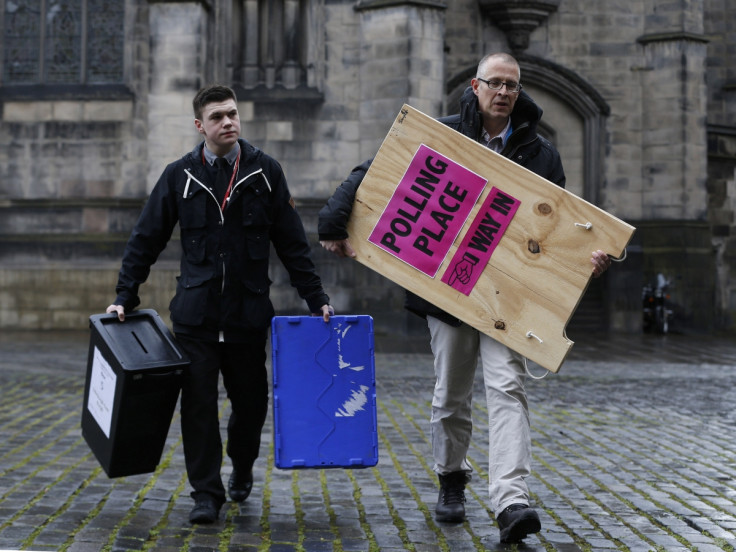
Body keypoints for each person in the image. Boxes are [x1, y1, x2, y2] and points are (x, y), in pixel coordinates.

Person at [318, 53, 611, 543]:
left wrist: (590, 259)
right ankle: (452, 478)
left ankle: (511, 499)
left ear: (519, 92)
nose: (503, 92)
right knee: (451, 395)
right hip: (448, 288)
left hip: (506, 299)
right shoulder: (446, 134)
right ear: (475, 86)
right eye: (494, 83)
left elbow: (557, 231)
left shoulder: (542, 153)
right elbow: (373, 170)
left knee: (507, 388)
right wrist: (332, 220)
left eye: (511, 86)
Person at [106, 84, 333, 524]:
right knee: (198, 407)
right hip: (196, 316)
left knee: (250, 407)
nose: (228, 122)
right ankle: (205, 493)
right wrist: (124, 296)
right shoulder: (180, 176)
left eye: (232, 114)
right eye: (217, 117)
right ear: (200, 126)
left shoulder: (265, 171)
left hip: (248, 315)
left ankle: (242, 466)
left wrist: (316, 297)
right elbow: (145, 239)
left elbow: (291, 243)